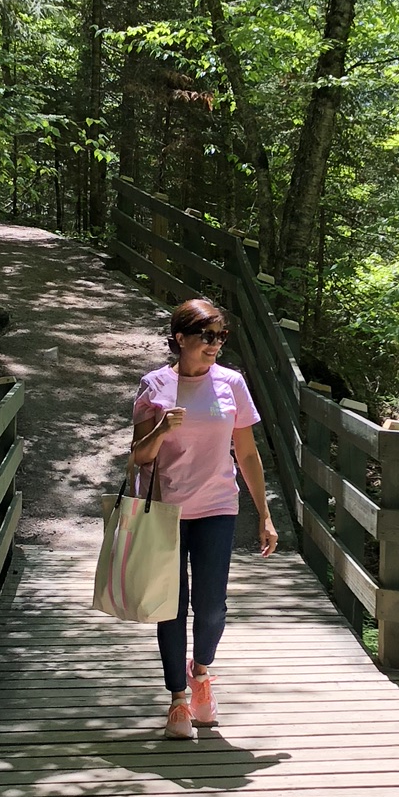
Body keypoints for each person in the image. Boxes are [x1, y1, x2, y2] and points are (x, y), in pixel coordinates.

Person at [130, 297, 278, 738]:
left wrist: (265, 514)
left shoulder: (231, 383)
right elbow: (139, 456)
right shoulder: (154, 385)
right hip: (166, 509)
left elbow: (247, 453)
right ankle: (178, 700)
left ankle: (201, 673)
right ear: (180, 338)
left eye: (221, 337)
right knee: (171, 609)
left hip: (217, 506)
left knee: (211, 608)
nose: (215, 345)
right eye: (206, 336)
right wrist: (161, 429)